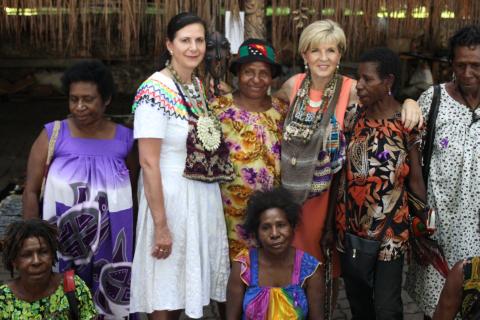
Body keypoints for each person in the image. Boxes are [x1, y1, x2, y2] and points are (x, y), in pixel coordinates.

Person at [273, 19, 423, 308]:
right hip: (292, 194)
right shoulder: (292, 86)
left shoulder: (353, 89)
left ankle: (323, 313)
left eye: (331, 50)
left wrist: (410, 103)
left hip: (332, 196)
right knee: (291, 264)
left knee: (326, 269)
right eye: (315, 50)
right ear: (304, 55)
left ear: (340, 55)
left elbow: (387, 102)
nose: (323, 58)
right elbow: (267, 117)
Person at [130, 12, 233, 319]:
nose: (193, 47)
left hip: (199, 196)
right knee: (165, 286)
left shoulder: (197, 87)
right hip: (169, 198)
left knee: (181, 285)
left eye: (199, 40)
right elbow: (148, 162)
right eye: (185, 40)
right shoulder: (154, 90)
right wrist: (161, 226)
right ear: (169, 45)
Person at [22, 60, 136, 318]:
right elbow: (30, 190)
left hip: (113, 249)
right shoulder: (53, 134)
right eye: (73, 99)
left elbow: (136, 192)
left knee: (110, 306)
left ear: (106, 100)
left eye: (88, 99)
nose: (79, 107)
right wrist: (31, 241)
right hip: (63, 243)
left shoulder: (126, 140)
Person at [337, 47, 426, 319]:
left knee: (387, 309)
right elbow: (340, 174)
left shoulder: (406, 122)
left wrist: (423, 222)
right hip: (351, 228)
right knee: (359, 304)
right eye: (357, 78)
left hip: (391, 233)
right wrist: (332, 225)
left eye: (367, 79)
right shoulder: (353, 117)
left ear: (387, 82)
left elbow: (415, 179)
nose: (359, 85)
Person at [405, 25, 480, 318]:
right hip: (440, 235)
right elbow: (415, 163)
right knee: (438, 310)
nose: (468, 73)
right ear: (451, 64)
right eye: (460, 65)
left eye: (476, 65)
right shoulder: (434, 100)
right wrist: (419, 225)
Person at [210, 38, 289, 258]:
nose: (256, 79)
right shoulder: (218, 109)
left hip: (272, 216)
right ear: (237, 74)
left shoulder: (283, 111)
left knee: (267, 274)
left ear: (272, 77)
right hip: (228, 212)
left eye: (263, 73)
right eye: (248, 72)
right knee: (232, 274)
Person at [226, 187, 324, 320]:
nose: (274, 234)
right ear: (256, 233)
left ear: (292, 227)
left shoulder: (310, 270)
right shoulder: (243, 267)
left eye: (281, 225)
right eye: (266, 227)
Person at [0, 219, 96, 319]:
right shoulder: (3, 299)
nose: (36, 261)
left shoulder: (74, 287)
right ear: (14, 261)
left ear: (52, 255)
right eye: (27, 255)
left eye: (43, 252)